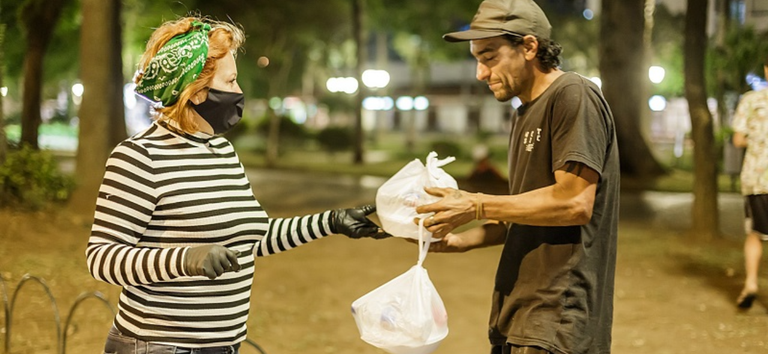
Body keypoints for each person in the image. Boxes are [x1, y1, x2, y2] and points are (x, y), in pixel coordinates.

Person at [85, 17, 386, 354]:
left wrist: (331, 221)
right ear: (197, 93)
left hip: (224, 346)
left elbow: (250, 239)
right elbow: (102, 258)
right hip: (158, 346)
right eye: (230, 81)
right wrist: (186, 258)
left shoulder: (222, 150)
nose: (239, 92)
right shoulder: (141, 156)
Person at [415, 1, 620, 353]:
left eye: (490, 56)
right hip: (520, 312)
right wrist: (457, 240)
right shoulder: (524, 113)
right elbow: (522, 212)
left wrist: (476, 203)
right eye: (477, 59)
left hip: (558, 314)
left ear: (529, 47)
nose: (480, 73)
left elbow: (574, 202)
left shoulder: (573, 94)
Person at [733, 57, 768, 310]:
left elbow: (737, 140)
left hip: (757, 178)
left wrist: (758, 141)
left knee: (755, 234)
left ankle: (752, 283)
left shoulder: (750, 100)